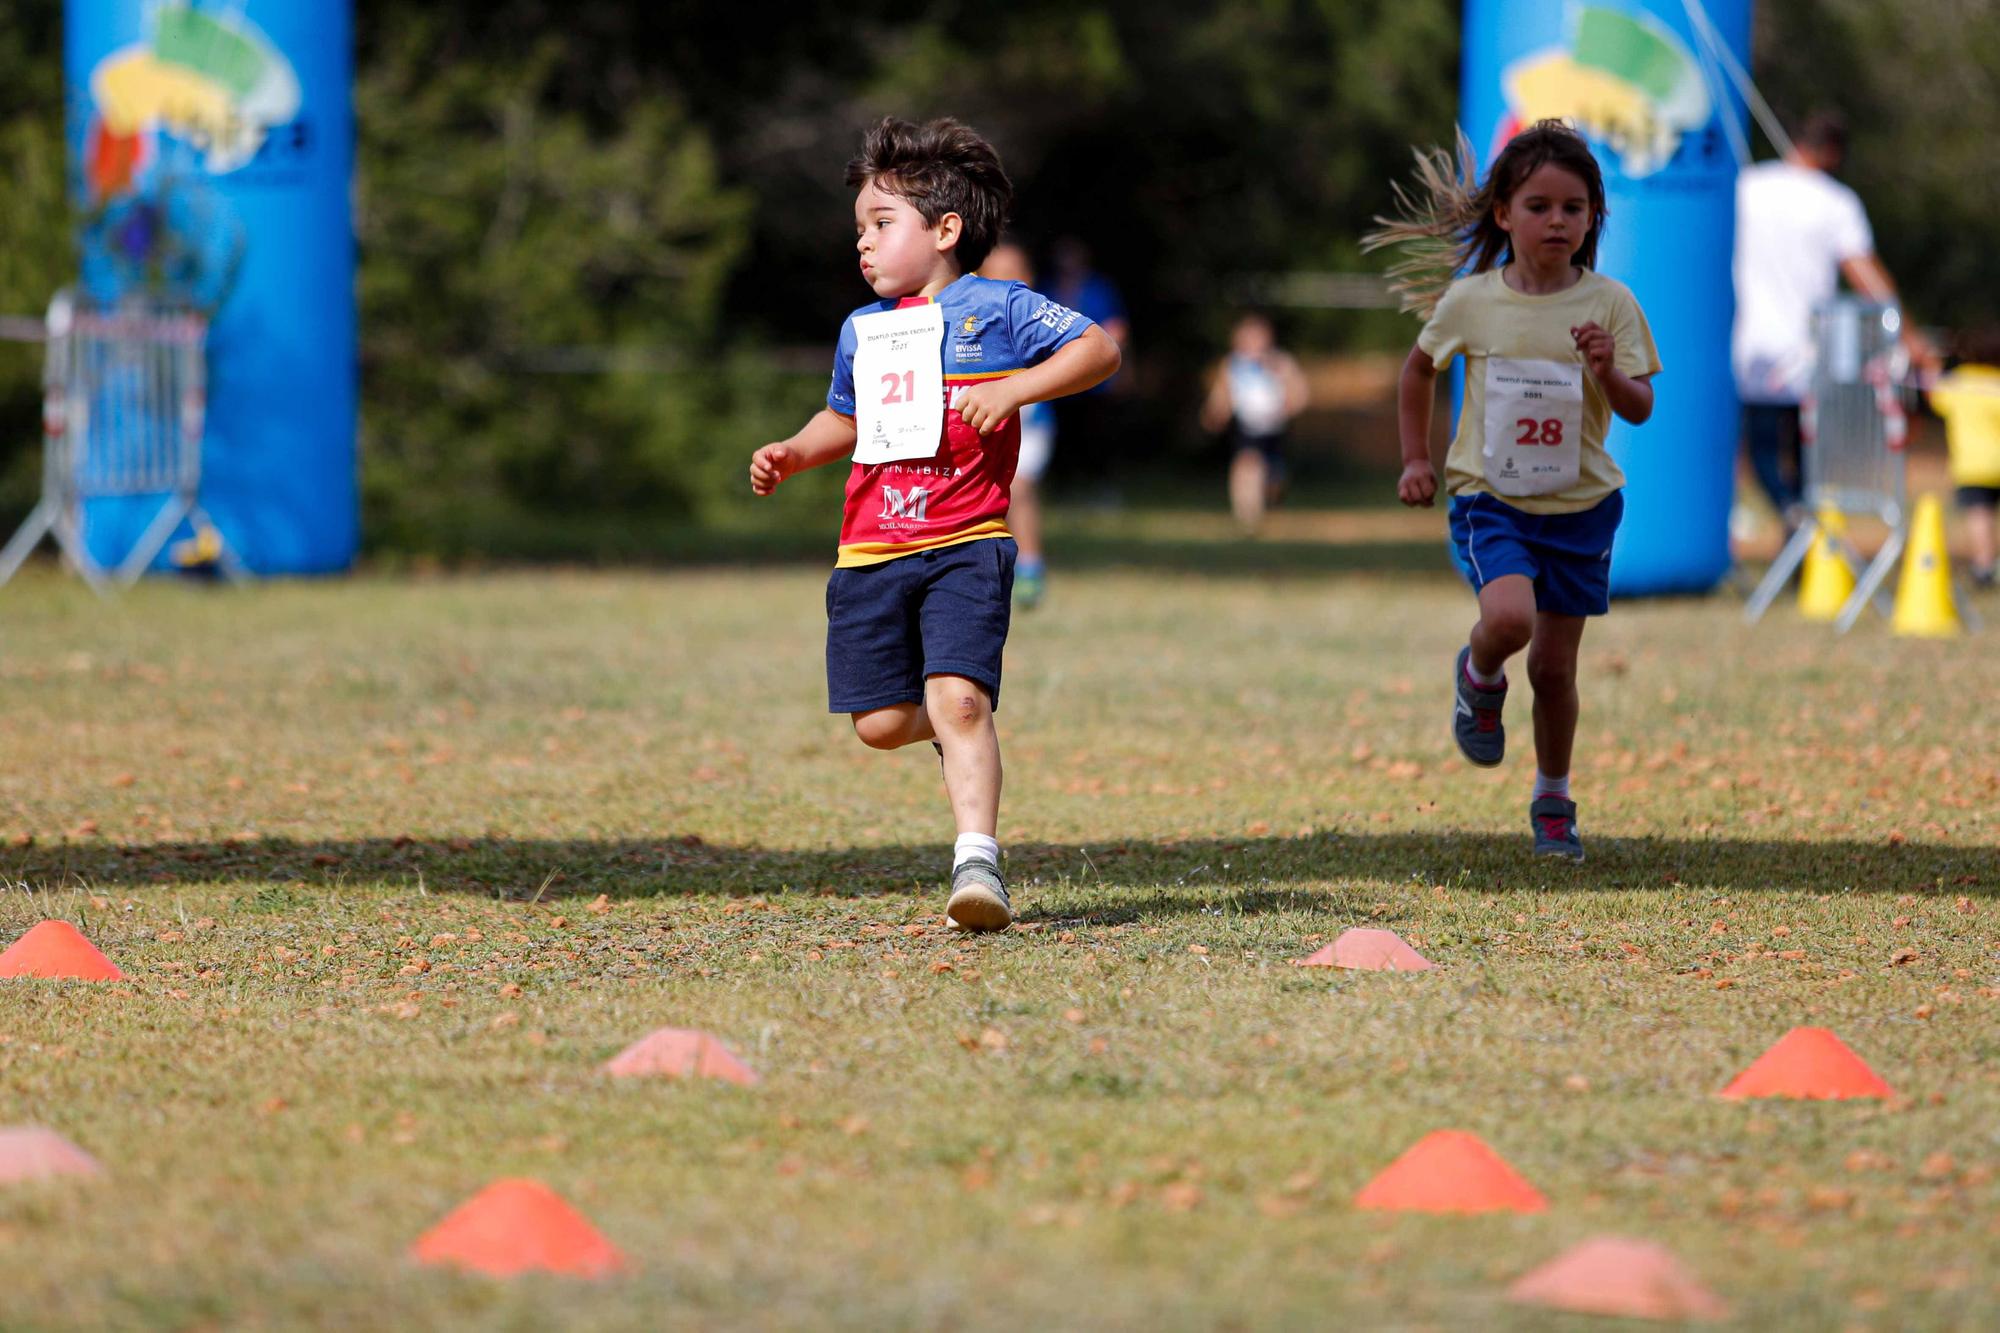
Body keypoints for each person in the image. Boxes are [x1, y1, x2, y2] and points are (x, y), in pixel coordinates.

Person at [748, 118, 1120, 930]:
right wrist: (792, 451)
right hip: (872, 547)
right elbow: (843, 420)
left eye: (882, 225)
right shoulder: (864, 330)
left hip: (967, 541)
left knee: (955, 697)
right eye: (859, 230)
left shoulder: (1001, 306)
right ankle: (962, 720)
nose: (865, 244)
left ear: (946, 231)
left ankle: (977, 863)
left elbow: (1096, 350)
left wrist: (1015, 390)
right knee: (880, 724)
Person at [1365, 120, 1660, 861]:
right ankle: (1478, 671)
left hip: (1582, 506)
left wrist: (1605, 370)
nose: (1556, 220)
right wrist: (1414, 459)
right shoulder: (1473, 301)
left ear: (1594, 217)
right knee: (1509, 617)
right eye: (1538, 205)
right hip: (1491, 499)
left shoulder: (1612, 304)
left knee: (1556, 670)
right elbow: (1417, 371)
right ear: (1503, 213)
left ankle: (1553, 795)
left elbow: (1639, 406)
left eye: (1573, 207)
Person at [1732, 112, 1930, 528]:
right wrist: (1908, 336)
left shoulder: (1746, 186)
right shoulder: (1836, 201)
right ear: (1834, 152)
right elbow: (1866, 276)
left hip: (1752, 347)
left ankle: (1792, 519)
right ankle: (1801, 523)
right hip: (1811, 350)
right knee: (1809, 452)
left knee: (1763, 447)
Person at [978, 240, 1058, 607]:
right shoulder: (970, 321)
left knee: (1020, 488)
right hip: (983, 422)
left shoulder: (1039, 320)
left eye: (1016, 273)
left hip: (1031, 422)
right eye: (998, 275)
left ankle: (1030, 567)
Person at [1200, 311, 1309, 532]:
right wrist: (1215, 413)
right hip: (1247, 427)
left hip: (1274, 428)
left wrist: (1291, 405)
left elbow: (1300, 392)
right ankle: (1247, 514)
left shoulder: (1280, 362)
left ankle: (1271, 500)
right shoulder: (1233, 365)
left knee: (1274, 477)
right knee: (1246, 464)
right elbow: (1223, 394)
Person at [1929, 328, 2000, 588]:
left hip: (1972, 465)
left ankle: (1984, 566)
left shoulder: (1958, 382)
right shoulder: (1997, 383)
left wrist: (1934, 367)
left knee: (1980, 516)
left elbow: (1936, 398)